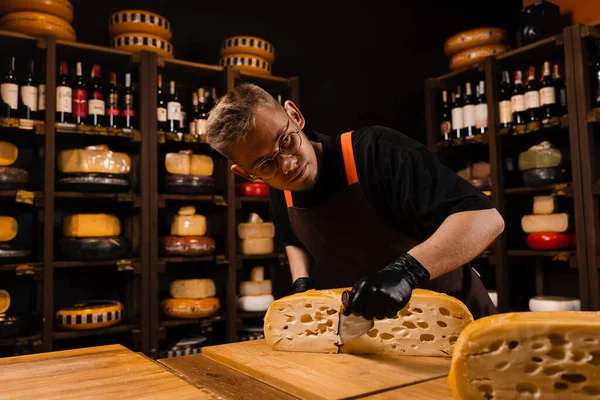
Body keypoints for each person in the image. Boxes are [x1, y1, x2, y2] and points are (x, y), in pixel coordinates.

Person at [206, 82, 504, 320]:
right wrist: (302, 285)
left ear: (294, 115)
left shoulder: (377, 151)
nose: (286, 165)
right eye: (266, 164)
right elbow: (293, 239)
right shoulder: (277, 183)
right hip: (372, 339)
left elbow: (485, 218)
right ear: (248, 174)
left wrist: (405, 273)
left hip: (453, 323)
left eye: (285, 140)